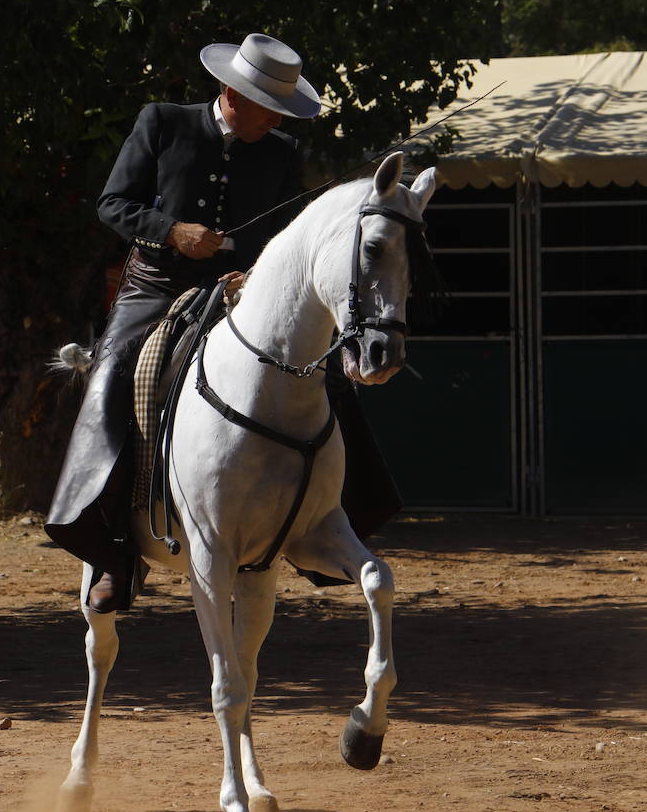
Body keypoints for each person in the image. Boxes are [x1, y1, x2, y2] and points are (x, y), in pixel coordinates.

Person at [45, 33, 400, 612]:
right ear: (232, 93)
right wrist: (172, 231)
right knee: (115, 374)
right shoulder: (162, 122)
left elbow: (283, 234)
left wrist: (253, 274)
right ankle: (112, 549)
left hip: (242, 290)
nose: (275, 121)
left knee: (324, 374)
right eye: (268, 107)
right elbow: (113, 204)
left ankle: (333, 521)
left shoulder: (282, 152)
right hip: (155, 286)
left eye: (283, 111)